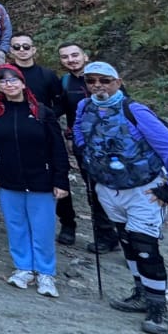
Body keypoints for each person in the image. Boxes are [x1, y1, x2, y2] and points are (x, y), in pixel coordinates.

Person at [72, 61, 168, 334]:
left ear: (118, 82)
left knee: (144, 244)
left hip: (143, 188)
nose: (97, 86)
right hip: (108, 187)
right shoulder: (84, 107)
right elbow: (78, 131)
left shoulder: (134, 110)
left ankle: (157, 309)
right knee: (126, 241)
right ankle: (140, 293)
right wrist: (86, 155)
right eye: (91, 81)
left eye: (104, 80)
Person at [0, 65, 69, 298]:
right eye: (3, 81)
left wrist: (61, 180)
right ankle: (23, 267)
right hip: (7, 179)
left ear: (22, 83)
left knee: (43, 227)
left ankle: (45, 272)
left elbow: (58, 148)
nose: (8, 84)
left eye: (13, 80)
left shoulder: (41, 112)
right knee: (16, 225)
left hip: (41, 179)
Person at [6, 35, 74, 245]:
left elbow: (61, 102)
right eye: (17, 47)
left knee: (56, 175)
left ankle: (68, 222)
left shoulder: (47, 75)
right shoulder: (4, 74)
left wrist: (44, 116)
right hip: (14, 132)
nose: (22, 50)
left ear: (34, 50)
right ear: (11, 50)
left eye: (26, 46)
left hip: (44, 131)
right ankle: (27, 222)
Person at [57, 41, 119, 254]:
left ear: (85, 56)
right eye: (65, 57)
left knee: (115, 189)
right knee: (94, 189)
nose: (71, 60)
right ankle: (106, 236)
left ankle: (126, 235)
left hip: (113, 145)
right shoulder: (65, 82)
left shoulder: (105, 77)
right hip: (83, 144)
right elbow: (61, 109)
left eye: (74, 55)